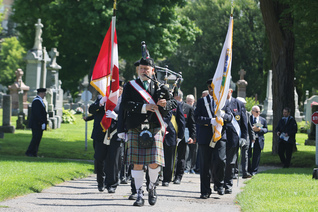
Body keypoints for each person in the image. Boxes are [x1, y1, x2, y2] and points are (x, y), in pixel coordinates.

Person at [120, 57, 177, 206]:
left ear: (152, 71)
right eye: (141, 68)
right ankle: (139, 193)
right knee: (137, 164)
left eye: (146, 69)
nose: (143, 71)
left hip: (154, 126)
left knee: (154, 163)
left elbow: (173, 103)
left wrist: (165, 104)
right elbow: (125, 104)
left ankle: (152, 187)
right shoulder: (130, 86)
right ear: (138, 70)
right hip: (135, 127)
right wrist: (144, 107)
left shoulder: (160, 87)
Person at [194, 79, 232, 199]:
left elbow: (230, 117)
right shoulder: (201, 102)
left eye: (215, 88)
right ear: (209, 89)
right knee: (205, 164)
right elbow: (197, 118)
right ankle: (205, 190)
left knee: (220, 160)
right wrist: (210, 121)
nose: (213, 90)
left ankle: (219, 184)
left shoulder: (223, 102)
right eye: (211, 88)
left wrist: (223, 116)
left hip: (220, 137)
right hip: (205, 137)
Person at [88, 87, 123, 193]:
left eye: (118, 89)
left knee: (113, 160)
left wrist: (116, 117)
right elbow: (91, 110)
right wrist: (100, 103)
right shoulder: (101, 98)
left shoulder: (122, 101)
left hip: (114, 134)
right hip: (100, 134)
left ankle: (112, 184)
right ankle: (100, 182)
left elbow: (126, 117)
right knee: (99, 159)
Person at [224, 89, 247, 194]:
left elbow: (243, 122)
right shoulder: (219, 102)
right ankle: (218, 183)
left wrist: (244, 138)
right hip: (220, 137)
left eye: (227, 91)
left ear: (231, 91)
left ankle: (228, 185)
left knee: (231, 162)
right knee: (219, 161)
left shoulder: (239, 104)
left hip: (234, 138)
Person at [162, 91, 185, 186]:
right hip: (158, 132)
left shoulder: (177, 104)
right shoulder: (158, 101)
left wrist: (180, 136)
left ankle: (167, 179)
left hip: (171, 134)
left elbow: (181, 121)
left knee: (169, 158)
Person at [236, 97, 255, 179]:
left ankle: (245, 172)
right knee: (234, 155)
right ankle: (234, 171)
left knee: (245, 156)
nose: (243, 105)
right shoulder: (234, 113)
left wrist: (252, 136)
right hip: (236, 137)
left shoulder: (247, 114)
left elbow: (249, 126)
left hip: (245, 137)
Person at [25, 88, 47, 157]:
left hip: (38, 124)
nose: (44, 95)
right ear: (41, 93)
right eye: (44, 93)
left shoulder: (39, 100)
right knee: (35, 138)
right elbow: (37, 113)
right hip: (36, 124)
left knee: (38, 139)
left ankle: (34, 153)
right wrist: (41, 122)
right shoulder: (36, 101)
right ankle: (29, 152)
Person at [248, 105, 268, 176]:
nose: (258, 113)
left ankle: (254, 171)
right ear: (252, 111)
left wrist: (260, 130)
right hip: (250, 140)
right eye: (256, 111)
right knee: (248, 155)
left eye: (259, 111)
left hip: (258, 140)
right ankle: (248, 169)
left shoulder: (262, 120)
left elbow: (266, 129)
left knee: (256, 156)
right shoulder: (248, 119)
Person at [184, 94, 197, 175]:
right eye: (188, 101)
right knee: (187, 151)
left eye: (191, 101)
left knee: (194, 151)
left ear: (194, 101)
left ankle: (193, 167)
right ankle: (187, 167)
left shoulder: (196, 109)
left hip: (195, 132)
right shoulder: (184, 108)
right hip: (186, 132)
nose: (189, 102)